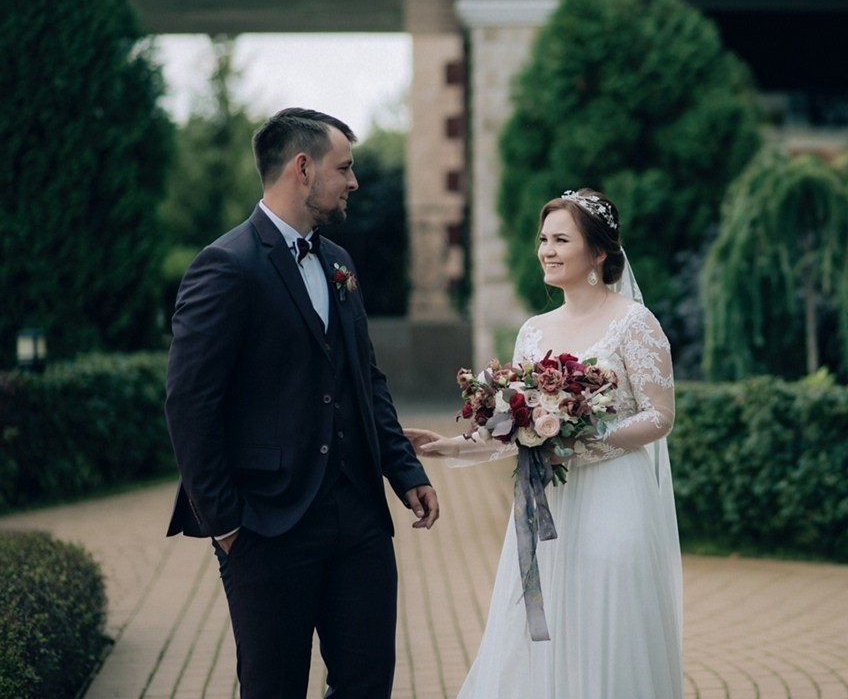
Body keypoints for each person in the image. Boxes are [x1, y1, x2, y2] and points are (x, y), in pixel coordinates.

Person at [164, 107, 440, 698]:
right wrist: (227, 524)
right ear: (302, 167)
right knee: (273, 688)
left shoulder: (338, 261)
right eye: (345, 168)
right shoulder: (225, 266)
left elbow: (366, 379)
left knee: (368, 684)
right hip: (266, 524)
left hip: (359, 515)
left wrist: (404, 469)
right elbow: (190, 403)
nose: (354, 182)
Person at [406, 188, 682, 699]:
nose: (547, 251)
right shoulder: (533, 332)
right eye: (543, 239)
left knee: (604, 624)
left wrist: (582, 434)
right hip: (545, 503)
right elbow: (516, 429)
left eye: (562, 239)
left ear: (598, 252)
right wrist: (447, 445)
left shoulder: (634, 323)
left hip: (615, 498)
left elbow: (660, 416)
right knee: (543, 632)